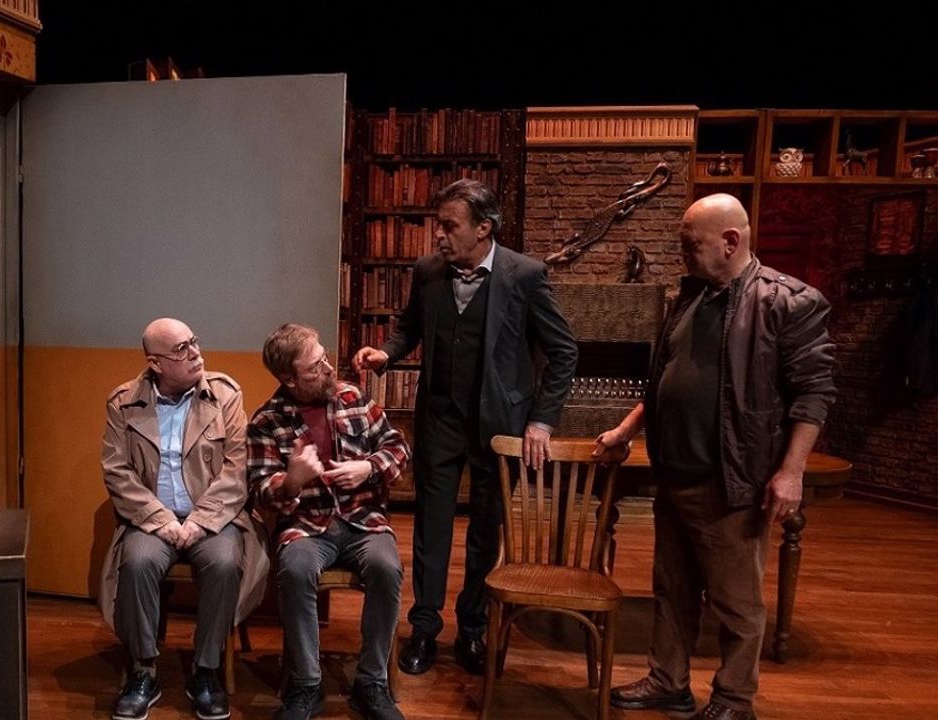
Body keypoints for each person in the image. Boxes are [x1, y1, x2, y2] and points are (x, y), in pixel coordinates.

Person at [597, 194, 836, 720]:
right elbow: (665, 377)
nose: (682, 253)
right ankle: (669, 683)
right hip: (674, 473)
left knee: (735, 601)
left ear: (730, 241)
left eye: (691, 244)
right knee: (672, 589)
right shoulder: (690, 297)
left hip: (730, 481)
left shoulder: (787, 302)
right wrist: (626, 429)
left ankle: (733, 699)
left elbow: (814, 393)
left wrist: (792, 471)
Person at [353, 178, 577, 675]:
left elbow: (564, 351)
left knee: (484, 532)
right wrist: (385, 354)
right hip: (440, 420)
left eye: (449, 226)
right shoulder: (428, 271)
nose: (439, 235)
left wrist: (542, 420)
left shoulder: (525, 275)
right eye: (439, 225)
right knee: (430, 528)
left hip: (500, 425)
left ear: (483, 229)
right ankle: (424, 628)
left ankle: (472, 628)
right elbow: (408, 329)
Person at [98, 318, 268, 720]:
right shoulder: (123, 402)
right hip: (152, 520)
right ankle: (144, 670)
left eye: (194, 342)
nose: (195, 353)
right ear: (155, 363)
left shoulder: (224, 395)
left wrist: (199, 521)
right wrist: (160, 520)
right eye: (181, 349)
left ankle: (205, 670)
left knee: (224, 563)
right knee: (137, 562)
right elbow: (117, 471)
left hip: (212, 519)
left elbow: (237, 469)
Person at [249, 323, 408, 720]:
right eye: (316, 367)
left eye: (325, 359)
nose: (329, 369)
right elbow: (259, 490)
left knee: (387, 567)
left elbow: (397, 446)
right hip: (305, 525)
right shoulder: (267, 420)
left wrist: (368, 468)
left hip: (363, 519)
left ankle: (371, 682)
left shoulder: (353, 397)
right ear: (289, 378)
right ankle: (306, 684)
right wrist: (291, 482)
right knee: (295, 569)